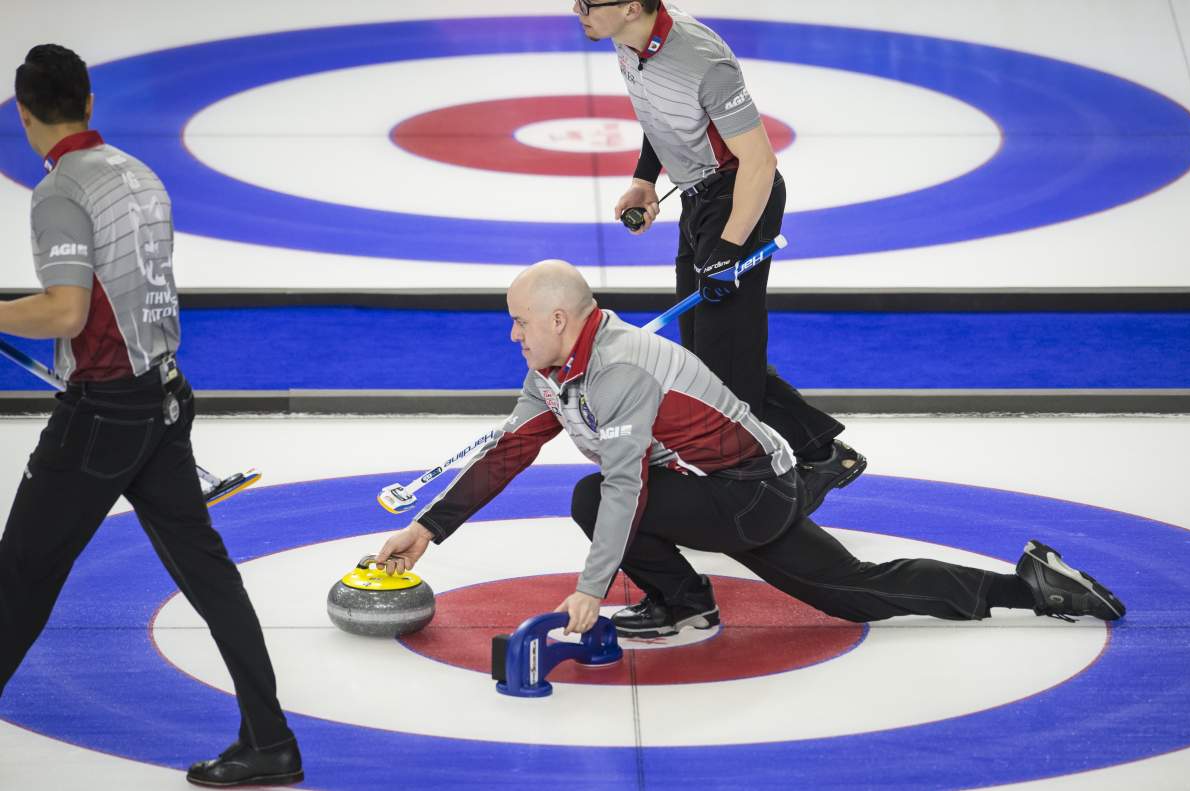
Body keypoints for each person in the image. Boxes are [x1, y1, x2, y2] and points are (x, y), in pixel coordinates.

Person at [375, 260, 1125, 637]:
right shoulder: (553, 368)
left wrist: (592, 589)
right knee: (852, 589)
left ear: (564, 319)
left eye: (519, 323)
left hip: (747, 491)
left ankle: (686, 602)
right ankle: (1033, 587)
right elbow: (509, 450)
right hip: (725, 488)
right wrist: (429, 528)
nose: (512, 335)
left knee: (596, 493)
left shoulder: (623, 369)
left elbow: (628, 490)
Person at [0, 45, 302, 788]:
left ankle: (270, 741)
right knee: (208, 572)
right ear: (91, 103)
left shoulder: (61, 190)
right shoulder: (140, 174)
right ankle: (270, 739)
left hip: (102, 415)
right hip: (163, 399)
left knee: (20, 576)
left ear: (25, 115)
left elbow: (67, 310)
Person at [577, 0, 864, 515]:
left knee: (722, 366)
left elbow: (759, 162)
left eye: (587, 3)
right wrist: (646, 178)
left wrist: (729, 249)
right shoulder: (627, 41)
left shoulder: (702, 59)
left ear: (629, 7)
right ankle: (822, 453)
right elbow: (661, 112)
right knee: (709, 357)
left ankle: (755, 486)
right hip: (698, 198)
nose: (577, 11)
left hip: (739, 200)